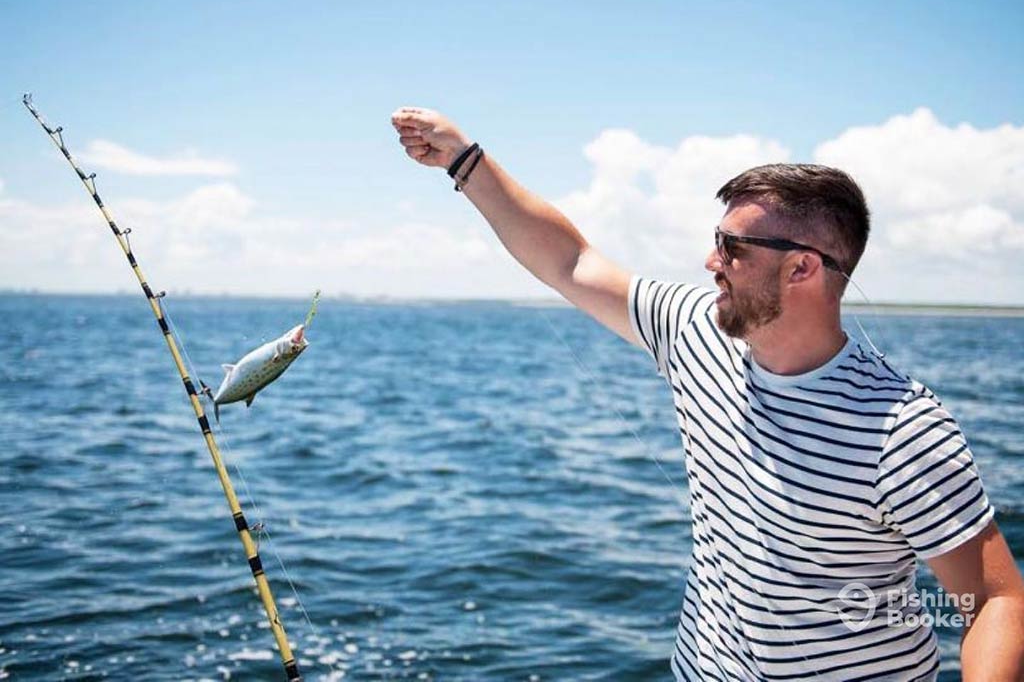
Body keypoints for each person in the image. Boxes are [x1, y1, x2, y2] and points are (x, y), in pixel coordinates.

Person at [390, 106, 1024, 681]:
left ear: (802, 267)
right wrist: (464, 160)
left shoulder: (901, 431)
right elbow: (571, 261)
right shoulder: (698, 330)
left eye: (732, 247)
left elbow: (994, 601)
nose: (709, 260)